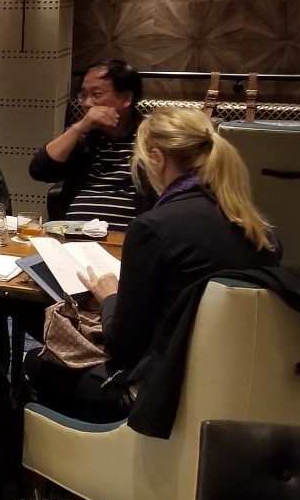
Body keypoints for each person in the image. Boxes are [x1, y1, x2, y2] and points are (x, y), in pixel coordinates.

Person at [31, 108, 282, 421]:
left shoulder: (153, 228)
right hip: (236, 385)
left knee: (37, 362)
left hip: (163, 392)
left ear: (158, 158)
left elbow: (124, 347)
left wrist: (110, 295)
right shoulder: (259, 228)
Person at [29, 59, 155, 232]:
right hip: (72, 236)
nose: (87, 103)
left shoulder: (152, 139)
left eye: (96, 94)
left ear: (126, 98)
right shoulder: (84, 138)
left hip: (125, 239)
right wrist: (79, 128)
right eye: (84, 95)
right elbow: (40, 170)